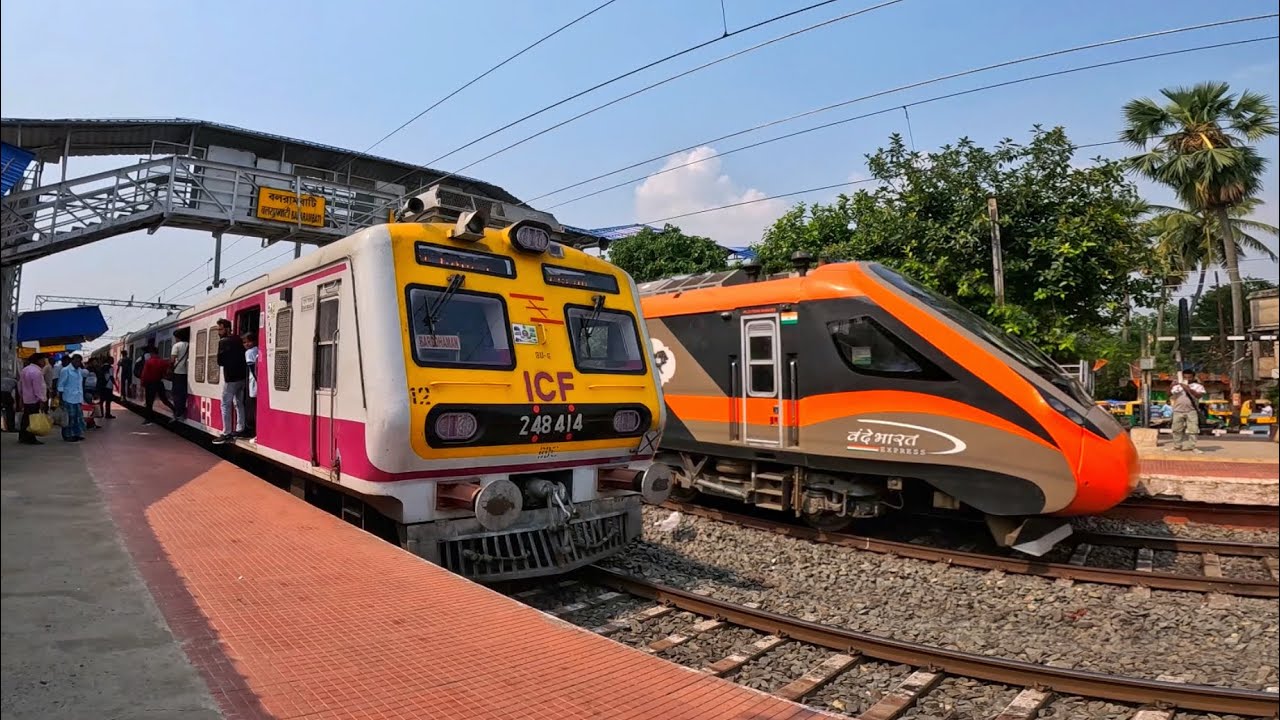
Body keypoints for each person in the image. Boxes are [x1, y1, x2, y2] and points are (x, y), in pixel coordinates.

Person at [213, 319, 247, 444]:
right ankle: (240, 428)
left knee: (225, 404)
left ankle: (226, 432)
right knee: (239, 403)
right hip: (242, 377)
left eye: (220, 329)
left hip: (230, 378)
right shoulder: (239, 339)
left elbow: (220, 362)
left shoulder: (223, 342)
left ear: (227, 328)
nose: (218, 332)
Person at [1168, 372, 1206, 453]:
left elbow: (1198, 396)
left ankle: (1192, 447)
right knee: (1176, 429)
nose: (1187, 379)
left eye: (1189, 377)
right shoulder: (1177, 386)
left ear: (1193, 377)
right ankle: (1177, 446)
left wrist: (1187, 389)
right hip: (1178, 410)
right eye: (1185, 377)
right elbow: (1168, 394)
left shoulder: (1198, 386)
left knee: (1193, 430)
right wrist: (1171, 386)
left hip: (1191, 411)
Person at [139, 346, 174, 425]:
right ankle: (175, 410)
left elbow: (144, 374)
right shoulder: (163, 362)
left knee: (149, 402)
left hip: (150, 384)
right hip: (159, 383)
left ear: (151, 353)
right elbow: (168, 372)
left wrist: (142, 383)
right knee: (164, 399)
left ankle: (148, 419)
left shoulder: (149, 362)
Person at [18, 353, 49, 445]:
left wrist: (21, 396)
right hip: (34, 399)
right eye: (43, 360)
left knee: (26, 418)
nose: (44, 362)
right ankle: (31, 438)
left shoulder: (25, 370)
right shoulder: (37, 372)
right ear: (38, 361)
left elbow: (20, 385)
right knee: (33, 419)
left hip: (26, 398)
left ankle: (23, 436)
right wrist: (42, 399)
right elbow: (38, 388)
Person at [56, 354, 86, 442]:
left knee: (78, 418)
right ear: (71, 360)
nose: (78, 363)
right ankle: (67, 435)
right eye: (76, 361)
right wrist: (61, 399)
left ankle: (76, 434)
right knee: (69, 418)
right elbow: (60, 385)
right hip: (68, 398)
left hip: (78, 398)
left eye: (79, 361)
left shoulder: (80, 371)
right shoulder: (65, 370)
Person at [170, 328, 191, 421]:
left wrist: (170, 368)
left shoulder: (176, 346)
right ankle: (183, 410)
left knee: (176, 393)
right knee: (183, 393)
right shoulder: (189, 345)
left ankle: (179, 413)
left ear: (178, 337)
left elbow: (172, 360)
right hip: (186, 372)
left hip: (177, 372)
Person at [242, 331, 259, 439]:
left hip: (254, 382)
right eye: (244, 342)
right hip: (258, 382)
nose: (247, 344)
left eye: (249, 341)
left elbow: (252, 367)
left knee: (252, 407)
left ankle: (252, 430)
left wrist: (257, 380)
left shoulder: (248, 353)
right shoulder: (258, 349)